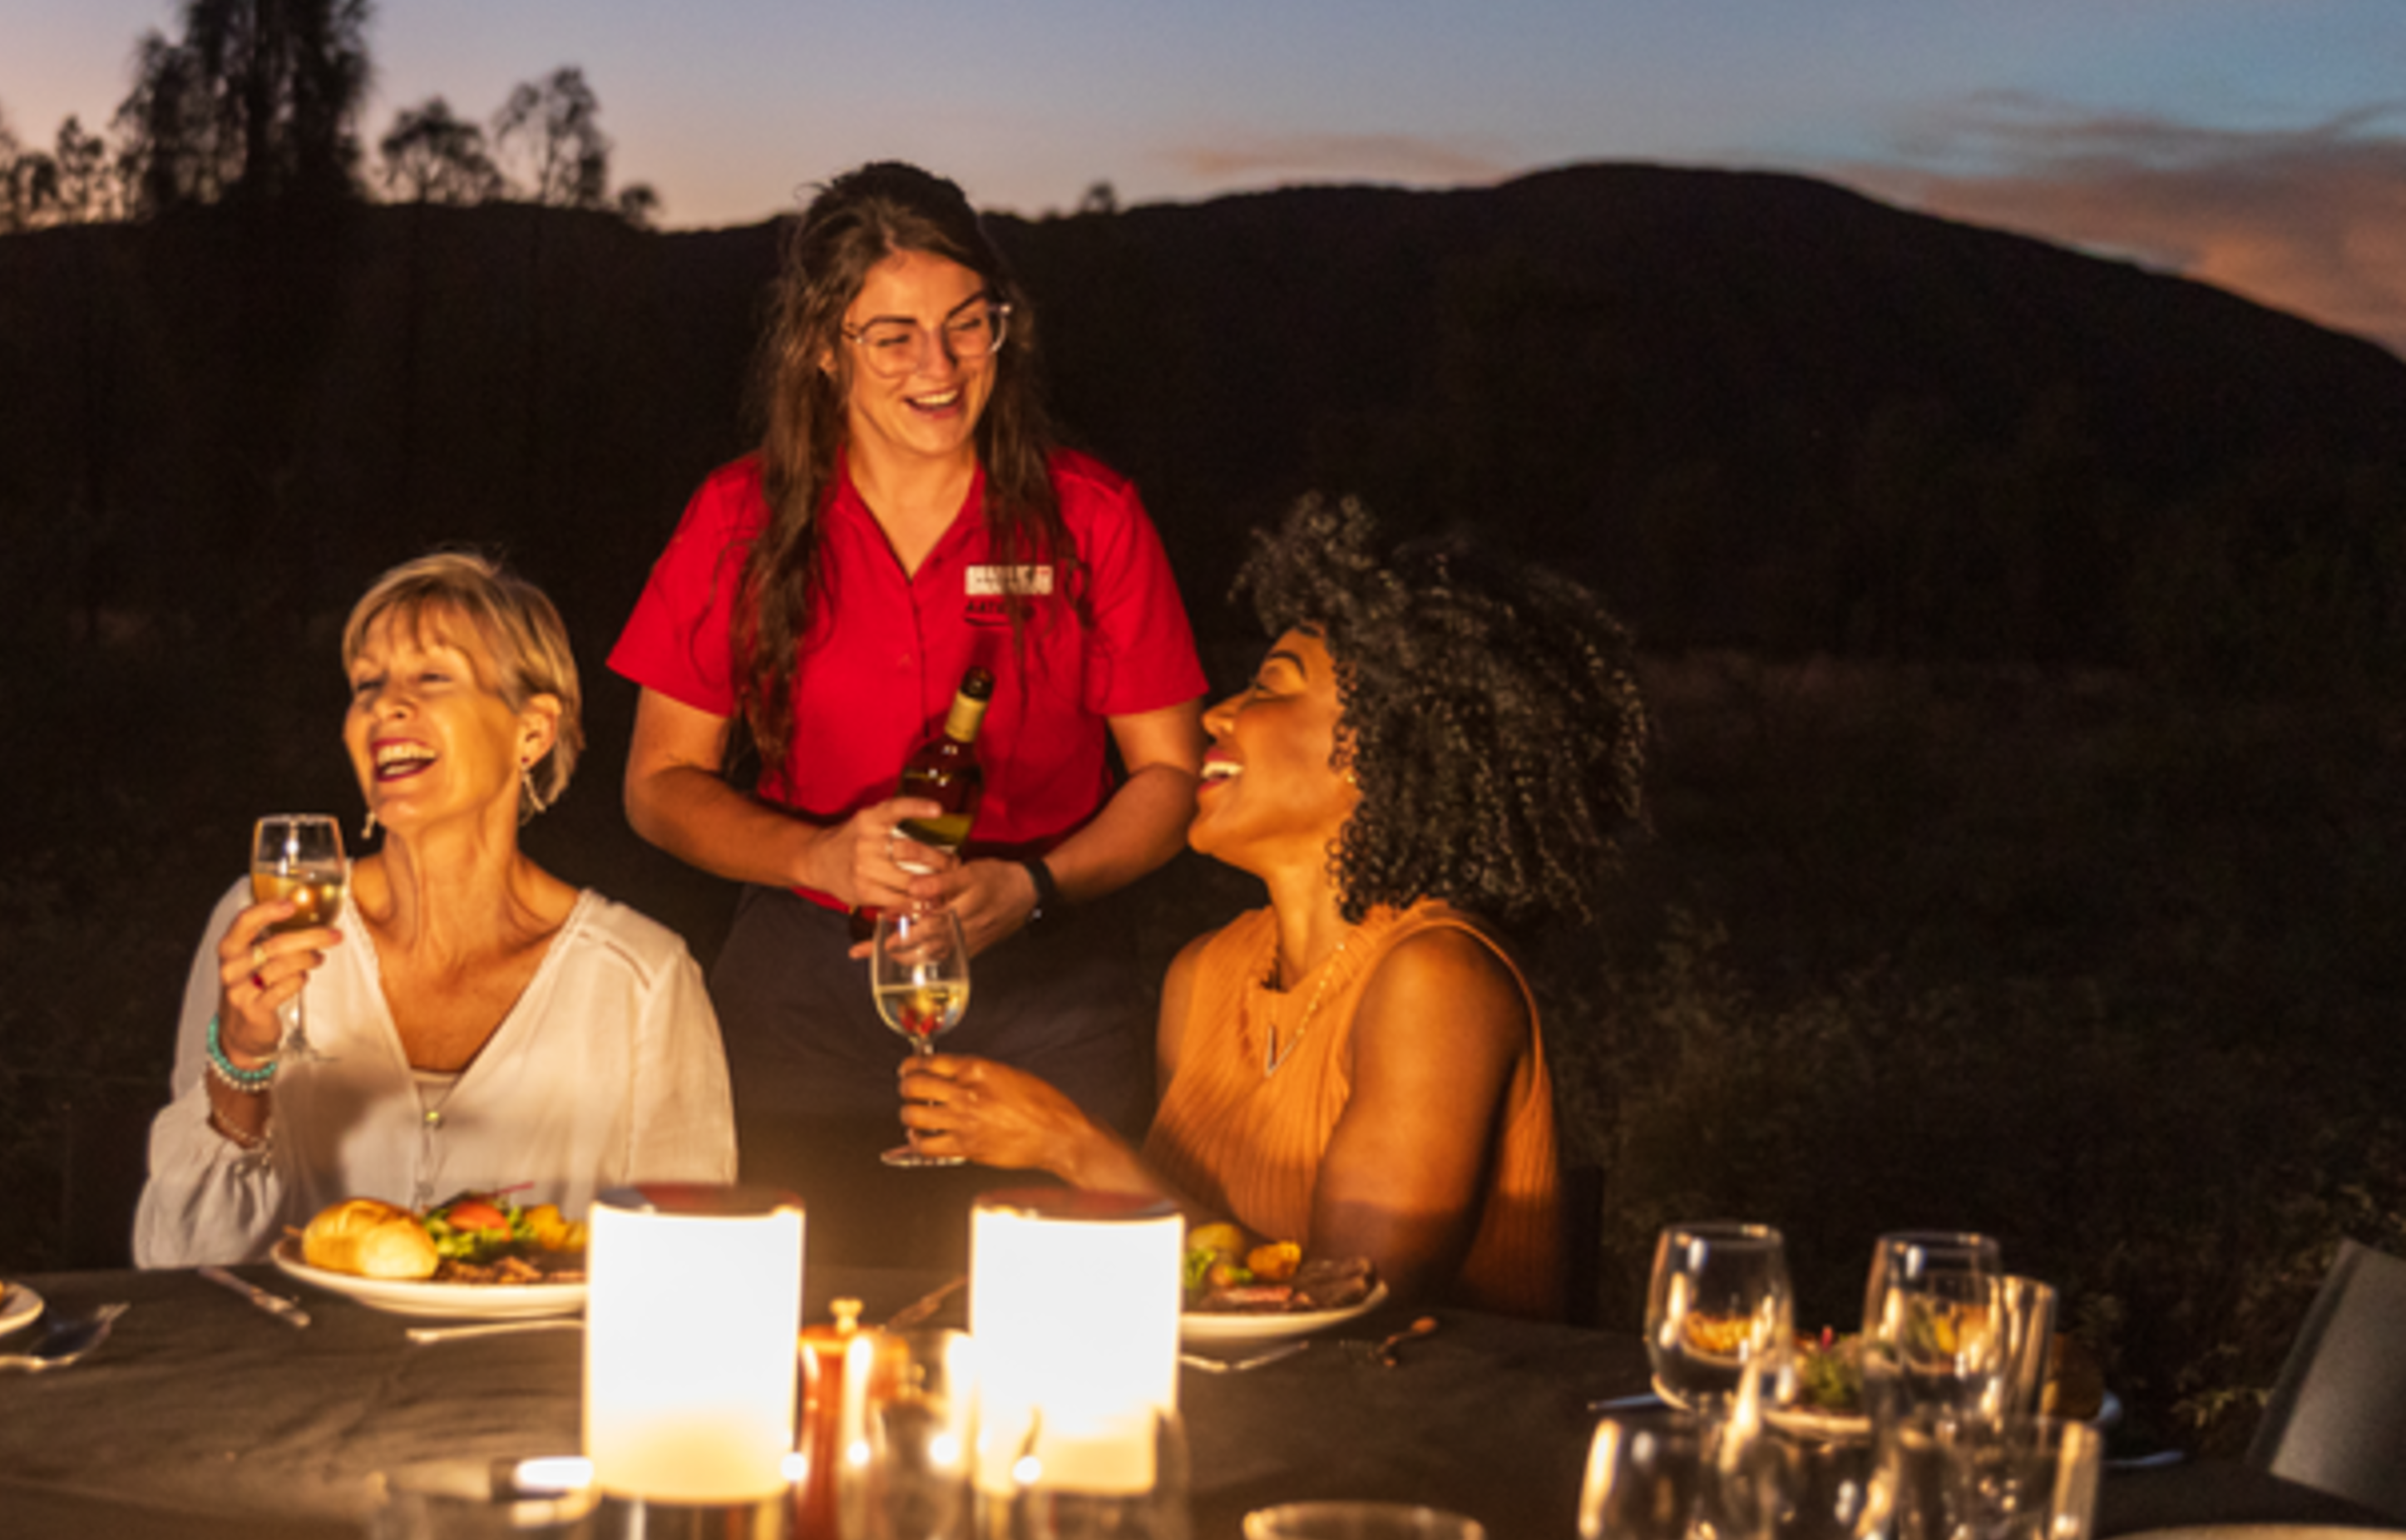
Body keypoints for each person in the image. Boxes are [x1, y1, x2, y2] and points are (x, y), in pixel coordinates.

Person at [610, 161, 1206, 1246]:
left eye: (967, 325)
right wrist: (816, 859)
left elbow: (1170, 777)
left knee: (1069, 1313)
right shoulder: (741, 517)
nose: (938, 366)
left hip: (1047, 988)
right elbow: (656, 786)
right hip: (805, 990)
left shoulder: (1090, 516)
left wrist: (1033, 887)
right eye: (892, 336)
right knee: (786, 1294)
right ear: (821, 346)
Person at [901, 495, 1646, 1320]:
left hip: (1421, 1437)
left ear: (1376, 749)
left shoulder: (1436, 979)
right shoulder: (1208, 975)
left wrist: (1071, 1146)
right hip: (1247, 1425)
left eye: (1271, 689)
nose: (1219, 714)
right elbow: (1190, 1281)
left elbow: (1343, 1307)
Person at [136, 551, 732, 1261]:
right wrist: (242, 1060)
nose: (385, 705)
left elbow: (690, 1263)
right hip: (303, 1367)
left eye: (432, 677)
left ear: (531, 732)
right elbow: (176, 1257)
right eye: (367, 684)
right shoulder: (267, 926)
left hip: (531, 1373)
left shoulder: (642, 980)